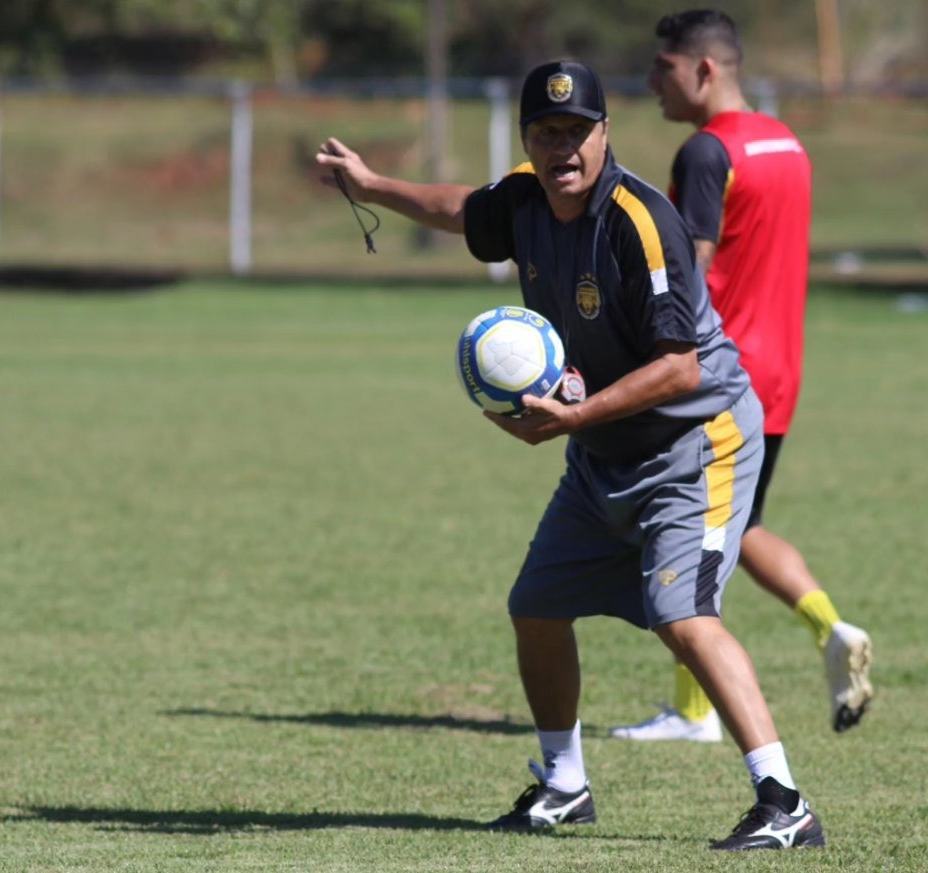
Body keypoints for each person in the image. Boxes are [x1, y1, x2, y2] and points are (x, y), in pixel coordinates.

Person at [317, 59, 824, 851]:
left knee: (682, 616)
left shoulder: (638, 220)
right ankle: (563, 785)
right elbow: (461, 209)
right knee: (537, 605)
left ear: (603, 133)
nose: (564, 148)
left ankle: (784, 801)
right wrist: (372, 184)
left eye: (577, 131)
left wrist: (576, 414)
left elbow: (681, 366)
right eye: (547, 132)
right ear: (528, 140)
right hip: (603, 450)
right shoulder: (522, 199)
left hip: (698, 439)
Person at [611, 9, 874, 742]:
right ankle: (830, 626)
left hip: (720, 374)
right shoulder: (786, 142)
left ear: (704, 69)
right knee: (740, 522)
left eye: (662, 68)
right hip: (783, 368)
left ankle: (695, 713)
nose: (650, 82)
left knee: (684, 532)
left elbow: (687, 272)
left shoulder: (705, 152)